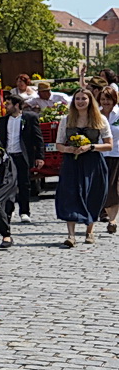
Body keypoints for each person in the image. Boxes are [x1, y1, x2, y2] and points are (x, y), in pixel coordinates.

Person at [53, 87, 112, 247]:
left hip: (92, 162)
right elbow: (58, 144)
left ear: (90, 101)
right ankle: (71, 235)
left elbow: (109, 145)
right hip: (72, 161)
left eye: (83, 99)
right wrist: (68, 149)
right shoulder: (67, 119)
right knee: (69, 194)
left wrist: (91, 147)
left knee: (91, 194)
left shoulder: (100, 119)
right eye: (77, 99)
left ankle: (89, 231)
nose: (80, 102)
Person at [0, 91, 44, 226]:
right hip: (7, 156)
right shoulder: (3, 120)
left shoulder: (30, 118)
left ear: (16, 105)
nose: (6, 106)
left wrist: (39, 156)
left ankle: (24, 212)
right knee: (8, 185)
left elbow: (38, 139)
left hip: (22, 155)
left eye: (8, 104)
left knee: (24, 184)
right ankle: (9, 210)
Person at [99, 84, 119, 235]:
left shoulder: (118, 114)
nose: (106, 102)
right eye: (103, 99)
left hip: (117, 154)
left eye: (109, 99)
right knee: (104, 188)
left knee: (115, 187)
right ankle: (107, 214)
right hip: (100, 154)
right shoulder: (96, 115)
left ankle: (113, 221)